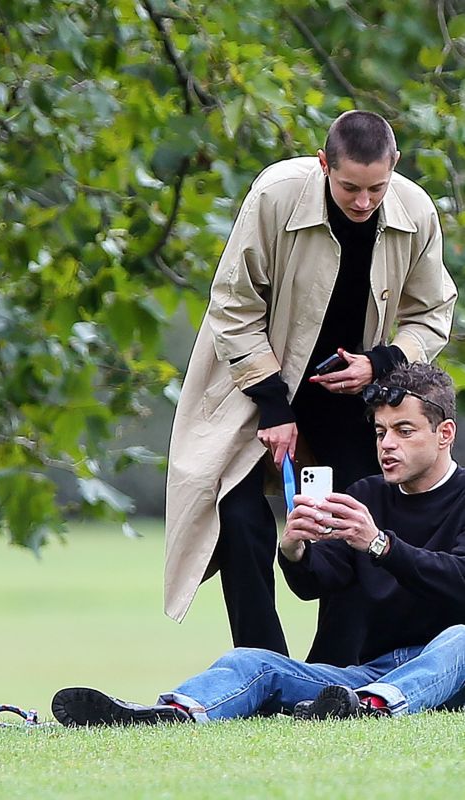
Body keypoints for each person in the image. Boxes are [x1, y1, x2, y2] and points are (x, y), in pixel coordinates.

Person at [164, 110, 457, 662]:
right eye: (349, 186)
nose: (364, 201)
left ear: (394, 167)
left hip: (351, 397)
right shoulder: (275, 194)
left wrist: (382, 362)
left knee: (353, 515)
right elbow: (233, 304)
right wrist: (274, 405)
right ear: (324, 165)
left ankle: (333, 669)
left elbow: (433, 311)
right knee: (240, 515)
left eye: (377, 187)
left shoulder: (416, 210)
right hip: (255, 385)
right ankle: (262, 660)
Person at [53, 364, 465, 726]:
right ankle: (172, 712)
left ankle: (376, 706)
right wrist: (295, 549)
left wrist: (378, 544)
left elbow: (457, 580)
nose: (387, 444)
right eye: (380, 432)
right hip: (372, 674)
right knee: (249, 661)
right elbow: (317, 583)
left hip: (453, 670)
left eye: (404, 431)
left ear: (444, 433)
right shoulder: (367, 494)